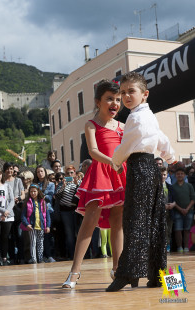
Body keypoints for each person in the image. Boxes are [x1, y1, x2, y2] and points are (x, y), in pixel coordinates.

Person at [106, 72, 175, 292]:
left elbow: (127, 145)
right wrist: (170, 156)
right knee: (154, 222)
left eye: (131, 92)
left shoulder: (134, 118)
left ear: (144, 94)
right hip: (152, 169)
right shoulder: (149, 115)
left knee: (135, 221)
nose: (126, 96)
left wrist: (116, 161)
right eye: (123, 92)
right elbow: (160, 137)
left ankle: (127, 274)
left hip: (139, 169)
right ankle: (157, 275)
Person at [62, 79, 127, 288]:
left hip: (120, 175)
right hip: (101, 173)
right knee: (89, 222)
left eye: (118, 99)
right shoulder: (91, 124)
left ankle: (118, 270)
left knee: (118, 223)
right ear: (98, 102)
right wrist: (112, 162)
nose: (115, 103)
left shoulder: (123, 127)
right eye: (109, 98)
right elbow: (93, 151)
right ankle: (75, 272)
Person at [20, 184, 51, 263]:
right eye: (31, 191)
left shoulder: (43, 202)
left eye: (34, 191)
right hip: (32, 226)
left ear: (38, 192)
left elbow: (47, 215)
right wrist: (27, 224)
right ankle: (34, 259)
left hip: (40, 226)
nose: (33, 193)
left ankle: (40, 259)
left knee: (40, 243)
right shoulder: (27, 202)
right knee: (33, 242)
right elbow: (23, 216)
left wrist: (48, 226)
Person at [3, 162, 25, 264]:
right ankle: (11, 257)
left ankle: (20, 257)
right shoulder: (2, 181)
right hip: (6, 210)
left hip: (17, 209)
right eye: (7, 169)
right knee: (9, 236)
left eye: (11, 169)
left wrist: (19, 198)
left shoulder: (18, 180)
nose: (10, 171)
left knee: (19, 235)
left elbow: (23, 194)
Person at [56, 165, 79, 260]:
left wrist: (77, 184)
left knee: (78, 233)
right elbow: (57, 196)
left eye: (71, 173)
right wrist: (63, 186)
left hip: (77, 211)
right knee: (69, 234)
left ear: (75, 174)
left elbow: (82, 194)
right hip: (65, 211)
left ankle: (81, 255)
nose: (69, 174)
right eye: (67, 173)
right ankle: (72, 255)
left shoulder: (79, 182)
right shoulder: (62, 184)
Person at [34, 165, 55, 262]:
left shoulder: (51, 184)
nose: (40, 173)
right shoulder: (35, 184)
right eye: (38, 172)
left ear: (45, 172)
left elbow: (49, 198)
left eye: (41, 171)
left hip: (48, 211)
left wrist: (40, 194)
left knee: (48, 234)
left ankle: (50, 255)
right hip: (37, 211)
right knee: (40, 235)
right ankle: (41, 256)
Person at [172, 167, 195, 253]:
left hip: (189, 211)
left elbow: (193, 199)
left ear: (185, 175)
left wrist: (187, 209)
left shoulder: (189, 186)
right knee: (178, 229)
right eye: (178, 174)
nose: (180, 175)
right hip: (177, 211)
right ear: (175, 175)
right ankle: (179, 247)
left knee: (187, 229)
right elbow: (172, 200)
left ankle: (186, 247)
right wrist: (180, 209)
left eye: (182, 174)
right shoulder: (173, 187)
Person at [160, 167, 175, 253]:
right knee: (162, 229)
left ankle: (168, 245)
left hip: (170, 212)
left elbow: (174, 199)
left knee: (169, 230)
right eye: (161, 174)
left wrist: (173, 204)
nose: (163, 176)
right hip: (160, 212)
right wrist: (163, 206)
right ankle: (162, 246)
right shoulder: (156, 187)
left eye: (164, 175)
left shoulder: (169, 186)